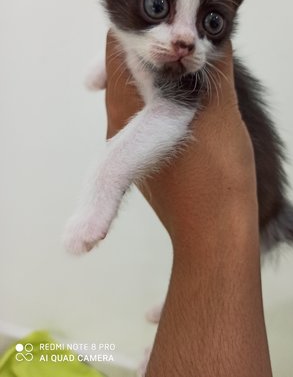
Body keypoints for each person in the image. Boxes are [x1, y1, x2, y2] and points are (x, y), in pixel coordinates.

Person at [105, 31, 273, 377]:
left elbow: (171, 110)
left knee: (215, 251)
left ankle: (186, 304)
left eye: (210, 21)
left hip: (254, 197)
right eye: (157, 6)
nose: (185, 39)